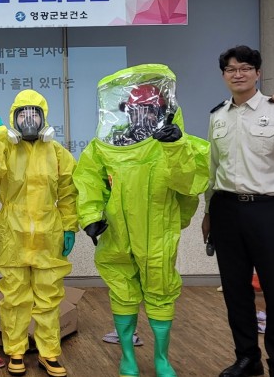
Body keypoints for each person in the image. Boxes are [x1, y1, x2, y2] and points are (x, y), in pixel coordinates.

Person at [73, 64, 209, 377]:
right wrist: (90, 216)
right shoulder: (107, 146)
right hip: (117, 232)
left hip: (158, 231)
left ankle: (161, 358)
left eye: (149, 109)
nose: (142, 115)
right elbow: (88, 180)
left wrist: (175, 147)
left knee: (161, 289)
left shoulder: (179, 144)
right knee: (122, 289)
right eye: (136, 109)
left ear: (163, 111)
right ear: (126, 112)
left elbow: (190, 184)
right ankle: (128, 358)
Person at [202, 46, 274, 377]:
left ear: (257, 73)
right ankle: (247, 358)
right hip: (226, 210)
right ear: (223, 75)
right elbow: (213, 168)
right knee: (235, 290)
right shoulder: (218, 115)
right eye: (231, 69)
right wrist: (208, 212)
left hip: (268, 211)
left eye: (245, 68)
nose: (238, 74)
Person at [0, 89, 78, 377]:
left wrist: (70, 225)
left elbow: (69, 193)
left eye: (35, 114)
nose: (29, 120)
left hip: (48, 234)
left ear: (44, 118)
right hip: (13, 234)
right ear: (14, 119)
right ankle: (16, 351)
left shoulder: (57, 153)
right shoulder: (6, 149)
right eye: (23, 114)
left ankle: (49, 353)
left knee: (49, 296)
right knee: (15, 297)